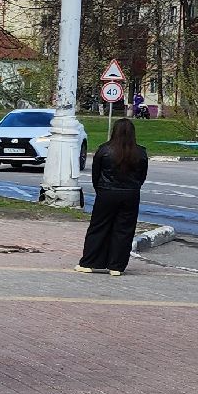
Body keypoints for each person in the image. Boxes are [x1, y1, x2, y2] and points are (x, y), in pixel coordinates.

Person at [78, 117, 149, 275]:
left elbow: (96, 175)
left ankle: (88, 263)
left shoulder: (104, 150)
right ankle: (116, 266)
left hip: (106, 193)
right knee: (124, 229)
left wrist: (101, 189)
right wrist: (132, 188)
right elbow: (141, 177)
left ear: (114, 132)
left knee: (98, 227)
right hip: (130, 195)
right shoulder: (141, 153)